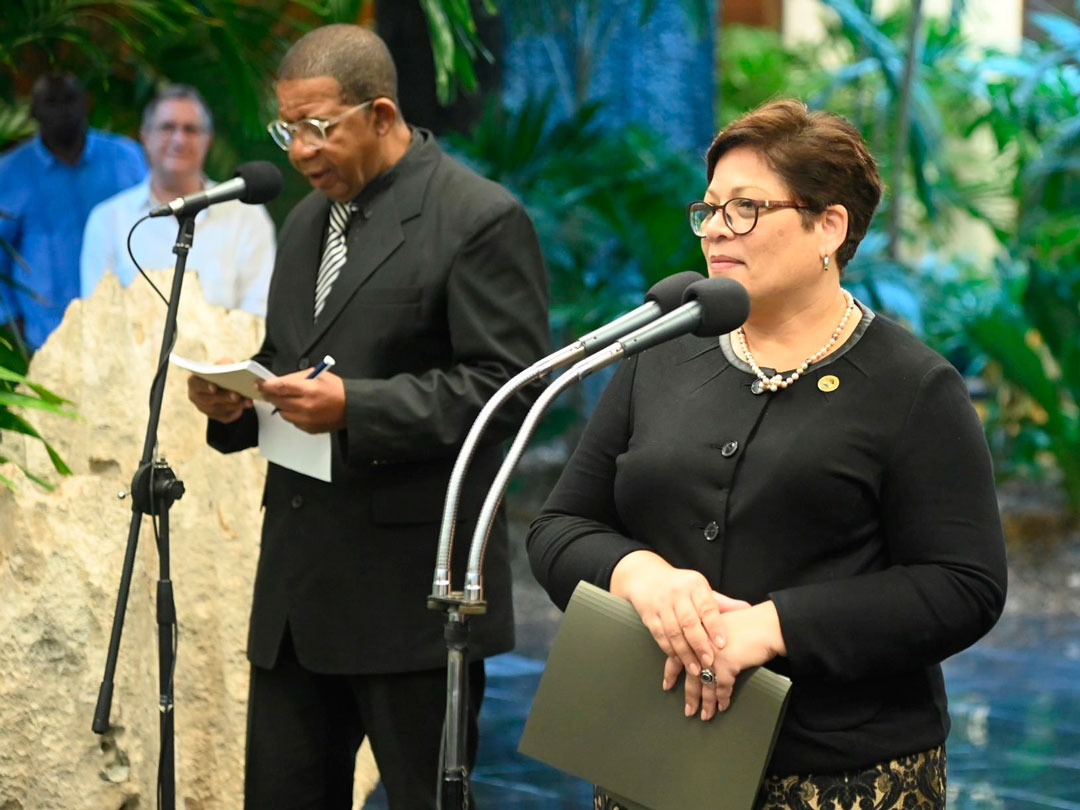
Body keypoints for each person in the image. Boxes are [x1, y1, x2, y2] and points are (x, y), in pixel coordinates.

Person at [527, 99, 1007, 810]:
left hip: (842, 771)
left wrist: (773, 627)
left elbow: (963, 585)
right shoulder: (662, 353)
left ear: (829, 227)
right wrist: (640, 575)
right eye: (711, 208)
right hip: (650, 751)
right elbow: (559, 528)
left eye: (746, 208)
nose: (717, 228)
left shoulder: (914, 386)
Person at [184, 24, 549, 810]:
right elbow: (292, 355)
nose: (300, 152)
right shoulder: (307, 222)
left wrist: (358, 407)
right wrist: (239, 400)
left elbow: (511, 389)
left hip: (414, 600)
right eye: (288, 130)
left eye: (319, 128)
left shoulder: (478, 219)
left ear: (381, 115)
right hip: (297, 596)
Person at [80, 85, 275, 316]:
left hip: (228, 353)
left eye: (190, 129)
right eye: (167, 127)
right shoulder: (109, 218)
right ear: (145, 137)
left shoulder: (246, 214)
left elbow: (258, 311)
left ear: (208, 141)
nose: (179, 139)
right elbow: (98, 316)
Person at [0, 73, 147, 350]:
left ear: (86, 103)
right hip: (47, 339)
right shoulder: (8, 173)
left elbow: (154, 228)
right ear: (33, 110)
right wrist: (15, 330)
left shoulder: (126, 157)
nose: (61, 110)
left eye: (69, 100)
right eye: (50, 102)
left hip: (128, 332)